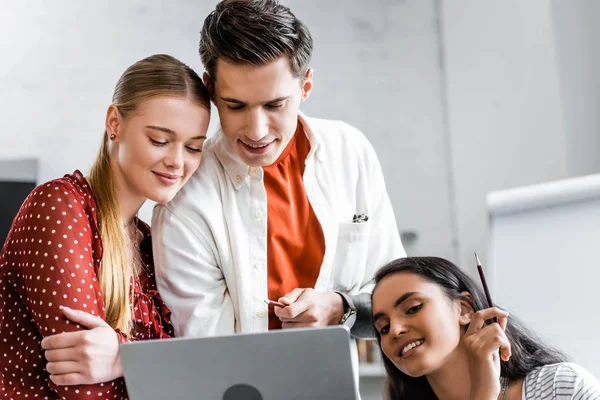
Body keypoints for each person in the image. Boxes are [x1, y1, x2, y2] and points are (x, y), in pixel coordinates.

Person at [152, 0, 405, 339]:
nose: (256, 131)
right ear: (210, 89)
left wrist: (340, 307)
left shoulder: (351, 152)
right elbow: (207, 354)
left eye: (274, 105)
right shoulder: (184, 203)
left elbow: (398, 296)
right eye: (235, 106)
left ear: (306, 86)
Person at [0, 54, 211, 399]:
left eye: (193, 147)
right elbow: (87, 390)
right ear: (114, 122)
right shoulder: (59, 207)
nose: (177, 161)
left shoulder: (151, 242)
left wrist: (125, 357)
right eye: (159, 140)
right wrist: (146, 363)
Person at [371, 256, 600, 400]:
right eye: (383, 327)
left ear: (463, 309)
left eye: (413, 308)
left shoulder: (560, 387)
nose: (395, 330)